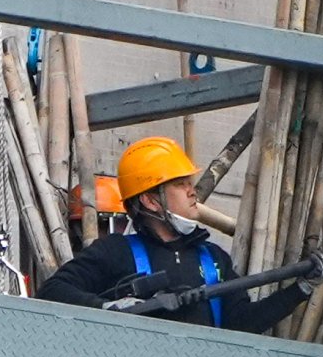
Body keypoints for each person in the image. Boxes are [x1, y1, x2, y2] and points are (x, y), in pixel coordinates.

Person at [37, 137, 300, 331]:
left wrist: (301, 288)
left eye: (190, 183)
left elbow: (242, 323)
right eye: (180, 184)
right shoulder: (116, 252)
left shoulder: (214, 259)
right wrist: (108, 308)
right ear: (151, 201)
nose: (192, 191)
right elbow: (53, 290)